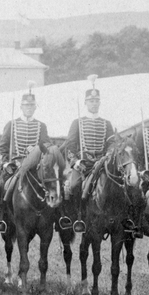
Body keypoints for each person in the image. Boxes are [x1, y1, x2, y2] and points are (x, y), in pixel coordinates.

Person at [0, 85, 52, 230]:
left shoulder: (41, 126)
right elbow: (2, 148)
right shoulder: (11, 124)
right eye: (26, 105)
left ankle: (59, 217)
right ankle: (1, 218)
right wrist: (5, 163)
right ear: (21, 107)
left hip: (35, 166)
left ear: (35, 107)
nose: (29, 108)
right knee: (0, 186)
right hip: (16, 166)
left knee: (54, 184)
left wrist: (37, 149)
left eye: (31, 105)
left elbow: (47, 146)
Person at [62, 76, 116, 208]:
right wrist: (75, 162)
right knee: (74, 186)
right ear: (85, 103)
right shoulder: (77, 122)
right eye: (91, 101)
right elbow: (70, 146)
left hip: (102, 164)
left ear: (100, 103)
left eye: (96, 101)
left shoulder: (106, 123)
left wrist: (108, 155)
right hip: (83, 164)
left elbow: (112, 144)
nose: (94, 104)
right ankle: (76, 215)